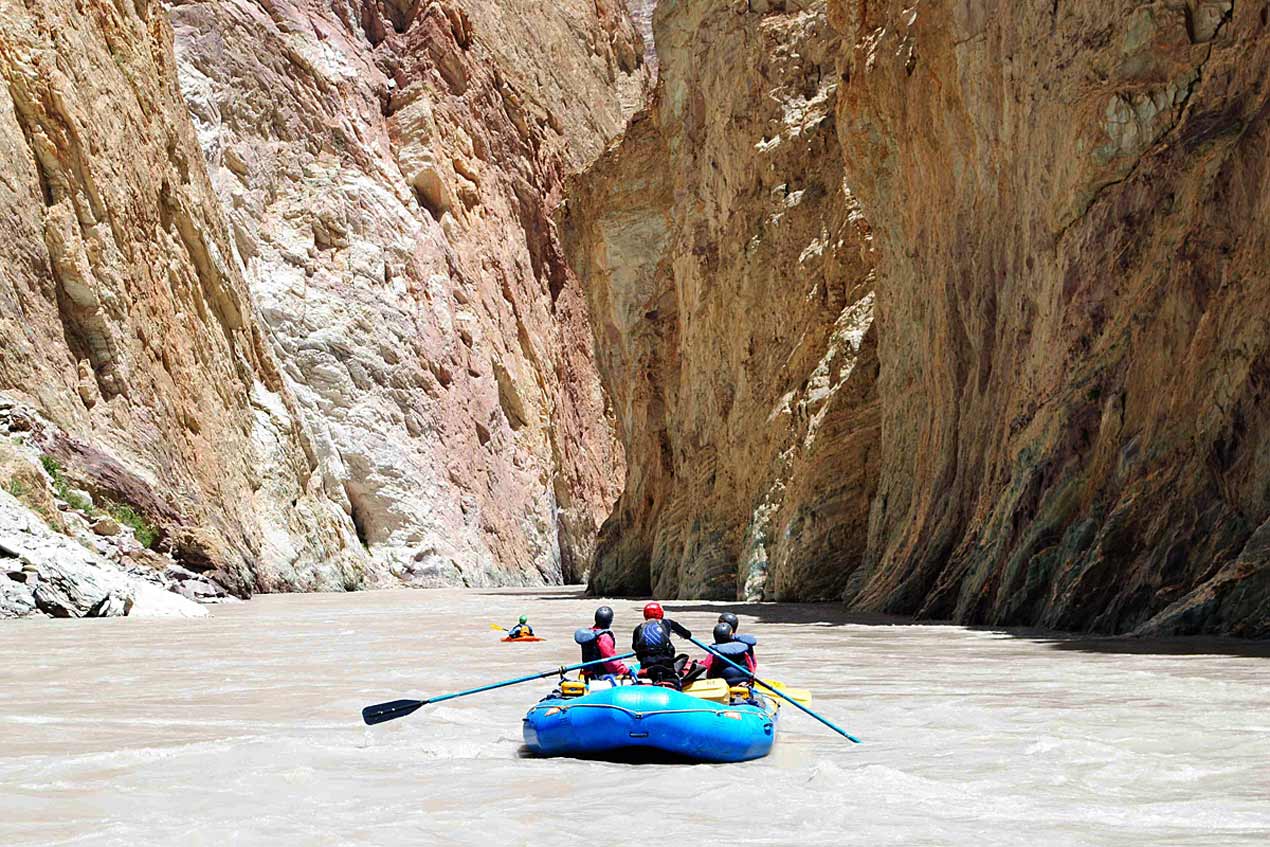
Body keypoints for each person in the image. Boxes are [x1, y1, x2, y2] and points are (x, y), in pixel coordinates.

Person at [631, 602, 692, 688]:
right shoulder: (668, 623)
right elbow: (687, 634)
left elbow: (634, 647)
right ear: (660, 613)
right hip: (666, 664)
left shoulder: (638, 628)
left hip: (646, 665)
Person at [574, 605, 632, 679]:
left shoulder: (589, 634)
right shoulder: (604, 637)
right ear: (610, 620)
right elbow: (610, 661)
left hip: (588, 675)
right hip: (601, 676)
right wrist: (625, 671)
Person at [700, 621, 756, 686]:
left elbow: (709, 668)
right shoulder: (745, 647)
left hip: (723, 679)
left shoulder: (715, 651)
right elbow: (752, 665)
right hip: (744, 678)